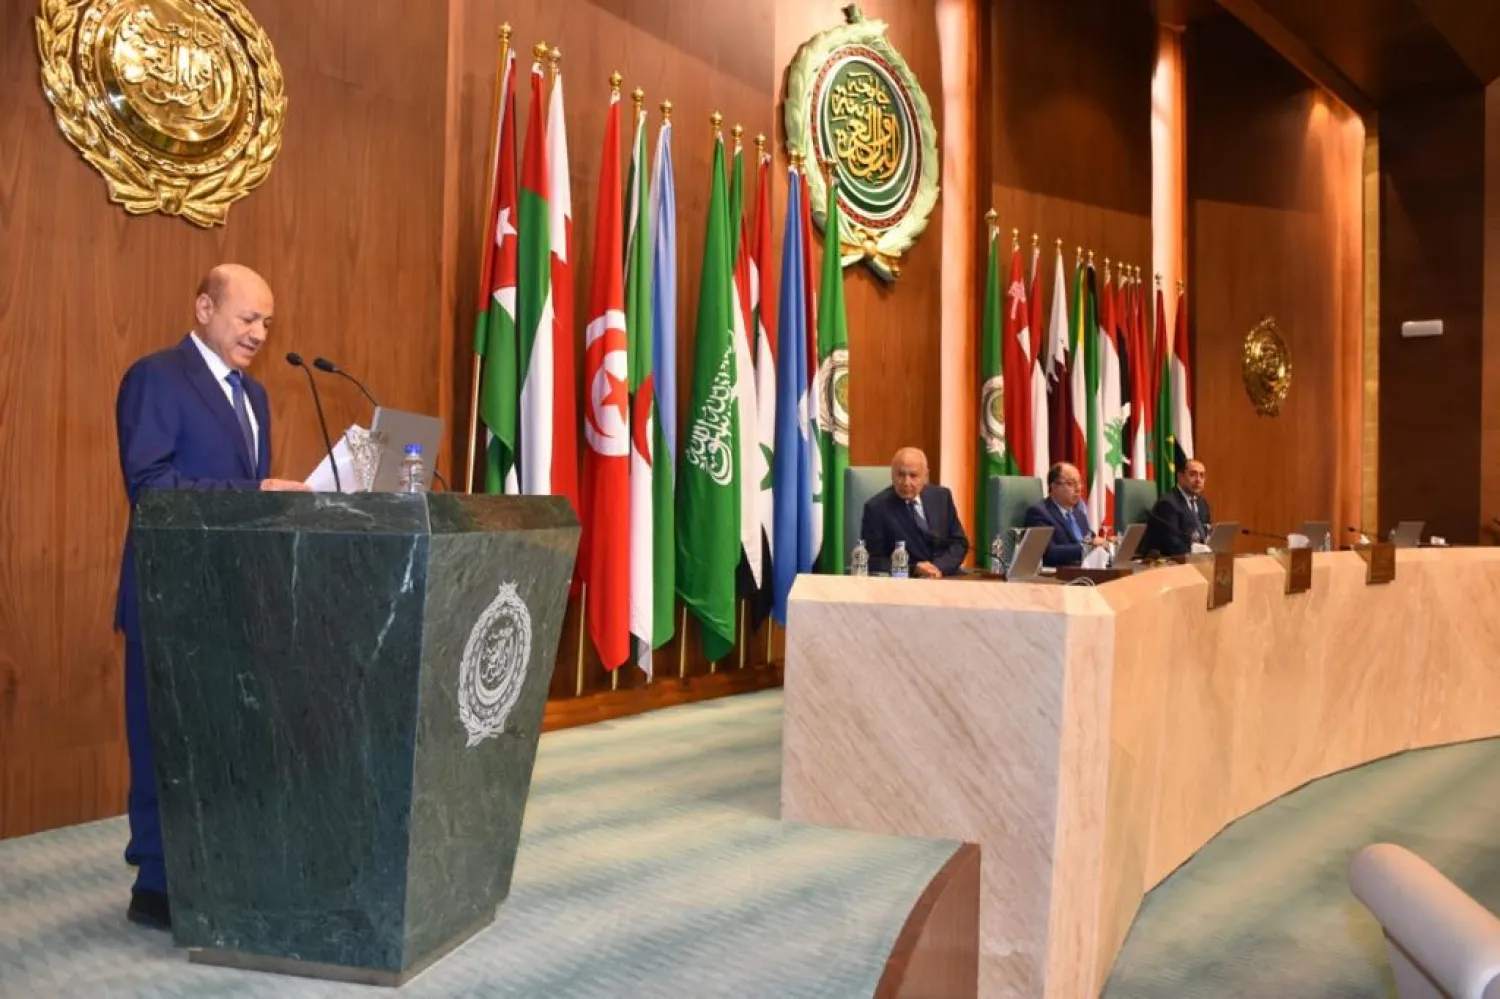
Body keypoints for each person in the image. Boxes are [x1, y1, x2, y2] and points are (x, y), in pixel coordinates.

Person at [114, 264, 309, 930]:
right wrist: (256, 497)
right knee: (164, 739)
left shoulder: (253, 396)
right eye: (247, 318)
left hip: (233, 599)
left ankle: (217, 863)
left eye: (267, 323)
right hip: (170, 598)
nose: (258, 333)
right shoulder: (156, 378)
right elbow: (152, 486)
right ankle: (158, 882)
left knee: (223, 740)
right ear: (204, 307)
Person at [859, 447, 968, 578]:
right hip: (907, 581)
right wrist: (913, 569)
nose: (906, 482)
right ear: (892, 475)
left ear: (925, 476)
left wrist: (938, 567)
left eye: (913, 475)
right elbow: (873, 560)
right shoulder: (877, 508)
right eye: (900, 475)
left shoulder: (941, 497)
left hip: (946, 575)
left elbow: (959, 543)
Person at [1023, 462, 1110, 568]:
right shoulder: (1039, 513)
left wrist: (1107, 542)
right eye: (1071, 483)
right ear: (1053, 486)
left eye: (1079, 483)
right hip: (1059, 576)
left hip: (1086, 570)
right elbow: (1048, 553)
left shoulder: (1079, 514)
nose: (1078, 489)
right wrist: (1088, 547)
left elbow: (1091, 538)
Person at [1141, 458, 1213, 557]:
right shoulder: (1167, 504)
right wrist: (1197, 549)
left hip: (1197, 560)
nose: (1198, 480)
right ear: (1180, 477)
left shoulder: (1202, 503)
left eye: (1202, 475)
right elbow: (1173, 544)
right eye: (1193, 474)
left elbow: (1207, 532)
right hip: (1167, 563)